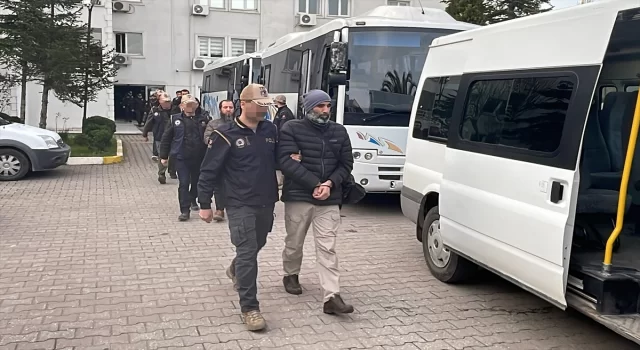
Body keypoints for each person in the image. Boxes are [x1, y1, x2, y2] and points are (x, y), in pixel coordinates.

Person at [197, 84, 279, 332]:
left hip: (266, 200)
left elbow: (279, 158)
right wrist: (204, 204)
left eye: (267, 105)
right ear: (243, 103)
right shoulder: (224, 134)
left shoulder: (270, 130)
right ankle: (250, 308)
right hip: (238, 202)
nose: (264, 110)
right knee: (247, 251)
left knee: (258, 245)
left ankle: (235, 269)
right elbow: (208, 170)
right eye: (260, 105)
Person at [277, 89, 355, 315]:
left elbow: (346, 163)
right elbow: (286, 162)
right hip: (299, 197)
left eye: (328, 106)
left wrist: (329, 184)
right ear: (309, 108)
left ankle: (332, 296)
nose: (325, 110)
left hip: (330, 198)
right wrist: (314, 184)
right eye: (320, 106)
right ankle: (290, 274)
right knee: (294, 242)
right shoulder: (291, 128)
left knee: (327, 247)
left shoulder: (339, 131)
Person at [159, 94, 209, 221]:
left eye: (193, 104)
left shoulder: (203, 119)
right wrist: (164, 156)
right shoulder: (174, 119)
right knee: (184, 183)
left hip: (199, 157)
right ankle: (184, 210)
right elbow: (166, 138)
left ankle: (193, 198)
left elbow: (209, 136)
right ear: (182, 106)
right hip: (182, 157)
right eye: (188, 104)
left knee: (197, 183)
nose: (190, 107)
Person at [202, 99, 235, 222]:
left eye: (230, 107)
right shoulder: (213, 123)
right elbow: (206, 138)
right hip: (219, 158)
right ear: (220, 109)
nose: (228, 110)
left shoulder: (239, 123)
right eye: (225, 107)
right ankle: (220, 209)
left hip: (235, 160)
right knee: (219, 185)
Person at [142, 92, 173, 183]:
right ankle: (161, 174)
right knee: (162, 155)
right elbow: (149, 122)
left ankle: (172, 170)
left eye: (168, 102)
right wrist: (145, 134)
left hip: (174, 137)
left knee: (173, 156)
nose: (166, 104)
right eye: (164, 102)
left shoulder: (175, 110)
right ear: (160, 101)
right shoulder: (155, 110)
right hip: (160, 137)